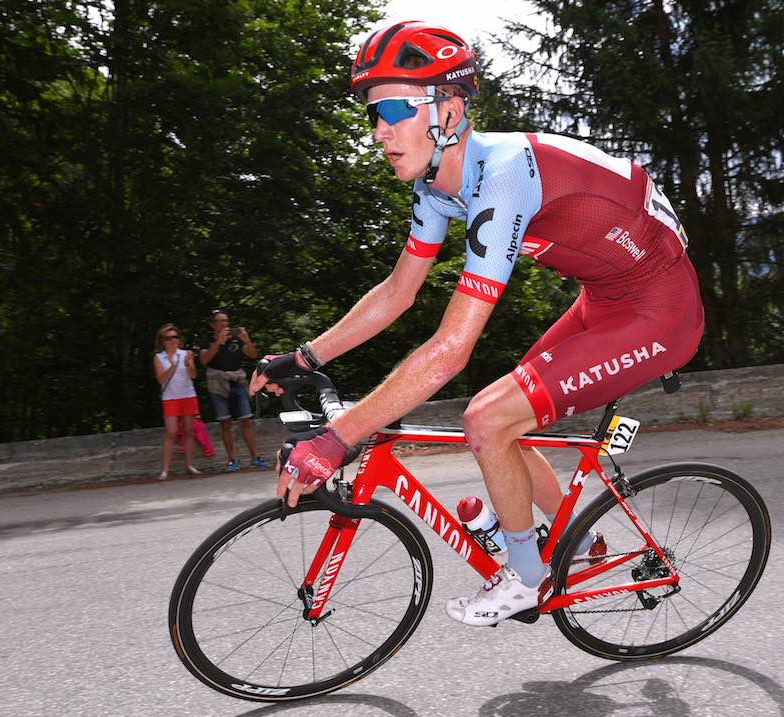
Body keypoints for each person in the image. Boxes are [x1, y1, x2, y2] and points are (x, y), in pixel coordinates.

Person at [250, 21, 705, 627]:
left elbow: (450, 350)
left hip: (660, 312)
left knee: (487, 417)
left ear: (450, 110)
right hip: (604, 297)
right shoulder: (439, 188)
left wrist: (337, 440)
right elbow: (396, 294)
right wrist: (304, 359)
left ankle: (526, 578)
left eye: (392, 107)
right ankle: (584, 544)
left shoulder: (505, 173)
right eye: (372, 113)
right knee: (505, 422)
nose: (381, 129)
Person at [198, 309, 270, 471]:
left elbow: (252, 354)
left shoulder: (236, 338)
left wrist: (246, 339)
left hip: (237, 382)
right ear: (212, 324)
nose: (224, 324)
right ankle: (232, 460)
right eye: (220, 321)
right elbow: (204, 360)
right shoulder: (206, 341)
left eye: (226, 321)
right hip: (218, 384)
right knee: (225, 422)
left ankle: (255, 458)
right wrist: (218, 343)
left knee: (246, 420)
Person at [153, 323, 202, 480]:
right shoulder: (159, 357)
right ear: (162, 341)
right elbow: (161, 379)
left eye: (175, 337)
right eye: (168, 338)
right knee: (171, 432)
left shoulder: (186, 354)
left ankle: (189, 465)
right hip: (170, 398)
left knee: (188, 431)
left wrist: (188, 363)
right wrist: (172, 365)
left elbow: (194, 375)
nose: (172, 340)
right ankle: (165, 470)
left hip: (188, 395)